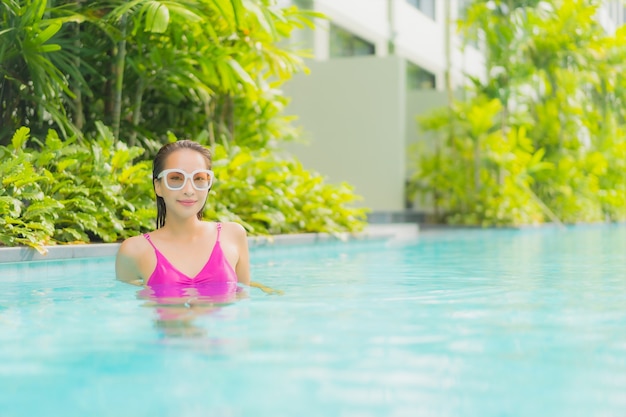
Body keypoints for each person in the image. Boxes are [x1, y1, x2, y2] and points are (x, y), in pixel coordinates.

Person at [115, 140, 251, 304]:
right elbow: (125, 309)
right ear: (158, 186)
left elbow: (244, 301)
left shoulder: (233, 235)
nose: (188, 190)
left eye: (199, 178)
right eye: (176, 178)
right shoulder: (134, 250)